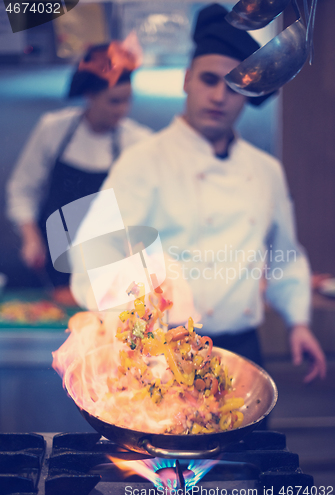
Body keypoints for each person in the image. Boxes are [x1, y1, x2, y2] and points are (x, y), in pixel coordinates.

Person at [70, 4, 326, 383]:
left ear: (248, 91)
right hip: (166, 354)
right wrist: (132, 320)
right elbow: (94, 254)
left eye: (233, 85)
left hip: (244, 350)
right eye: (209, 80)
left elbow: (285, 256)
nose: (219, 96)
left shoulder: (266, 170)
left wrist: (298, 321)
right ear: (187, 79)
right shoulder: (142, 161)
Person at [6, 38, 152, 292]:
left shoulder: (138, 141)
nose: (123, 110)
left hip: (111, 268)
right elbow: (22, 188)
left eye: (127, 100)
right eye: (114, 101)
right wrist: (30, 237)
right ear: (90, 96)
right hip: (53, 261)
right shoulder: (53, 128)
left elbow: (149, 208)